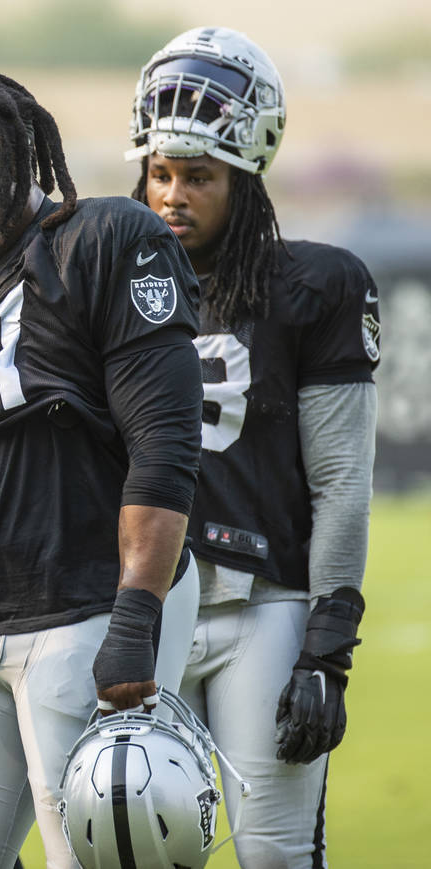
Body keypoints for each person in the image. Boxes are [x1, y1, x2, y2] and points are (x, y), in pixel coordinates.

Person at [0, 73, 206, 869]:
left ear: (14, 168)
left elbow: (163, 443)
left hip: (90, 604)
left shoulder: (109, 239)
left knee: (92, 856)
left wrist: (134, 619)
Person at [126, 27, 376, 867]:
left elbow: (342, 477)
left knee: (273, 851)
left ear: (245, 174)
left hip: (264, 600)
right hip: (141, 607)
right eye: (160, 172)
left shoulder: (313, 283)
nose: (172, 194)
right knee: (132, 848)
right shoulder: (104, 279)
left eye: (198, 175)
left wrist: (328, 648)